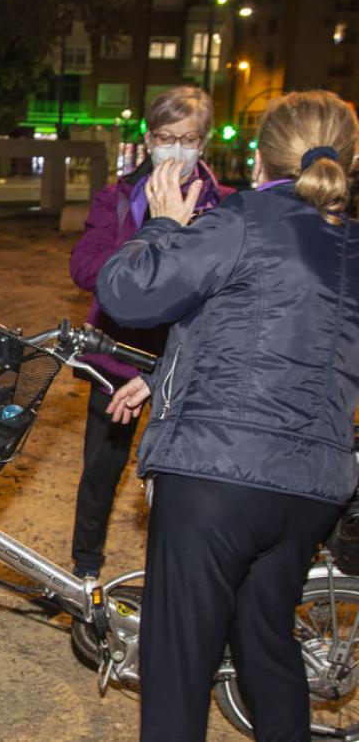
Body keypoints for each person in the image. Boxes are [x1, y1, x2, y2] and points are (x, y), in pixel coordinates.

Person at [96, 90, 359, 741]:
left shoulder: (243, 219)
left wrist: (163, 224)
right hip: (310, 486)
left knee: (179, 667)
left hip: (218, 478)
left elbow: (126, 291)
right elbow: (277, 343)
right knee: (267, 648)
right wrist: (164, 379)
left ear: (263, 151)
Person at [65, 86, 233, 579]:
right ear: (147, 138)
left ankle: (174, 575)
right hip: (118, 355)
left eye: (189, 138)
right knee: (101, 470)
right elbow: (84, 267)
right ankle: (85, 569)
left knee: (179, 478)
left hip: (187, 363)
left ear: (203, 143)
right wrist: (154, 235)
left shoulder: (225, 206)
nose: (177, 149)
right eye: (166, 136)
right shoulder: (118, 196)